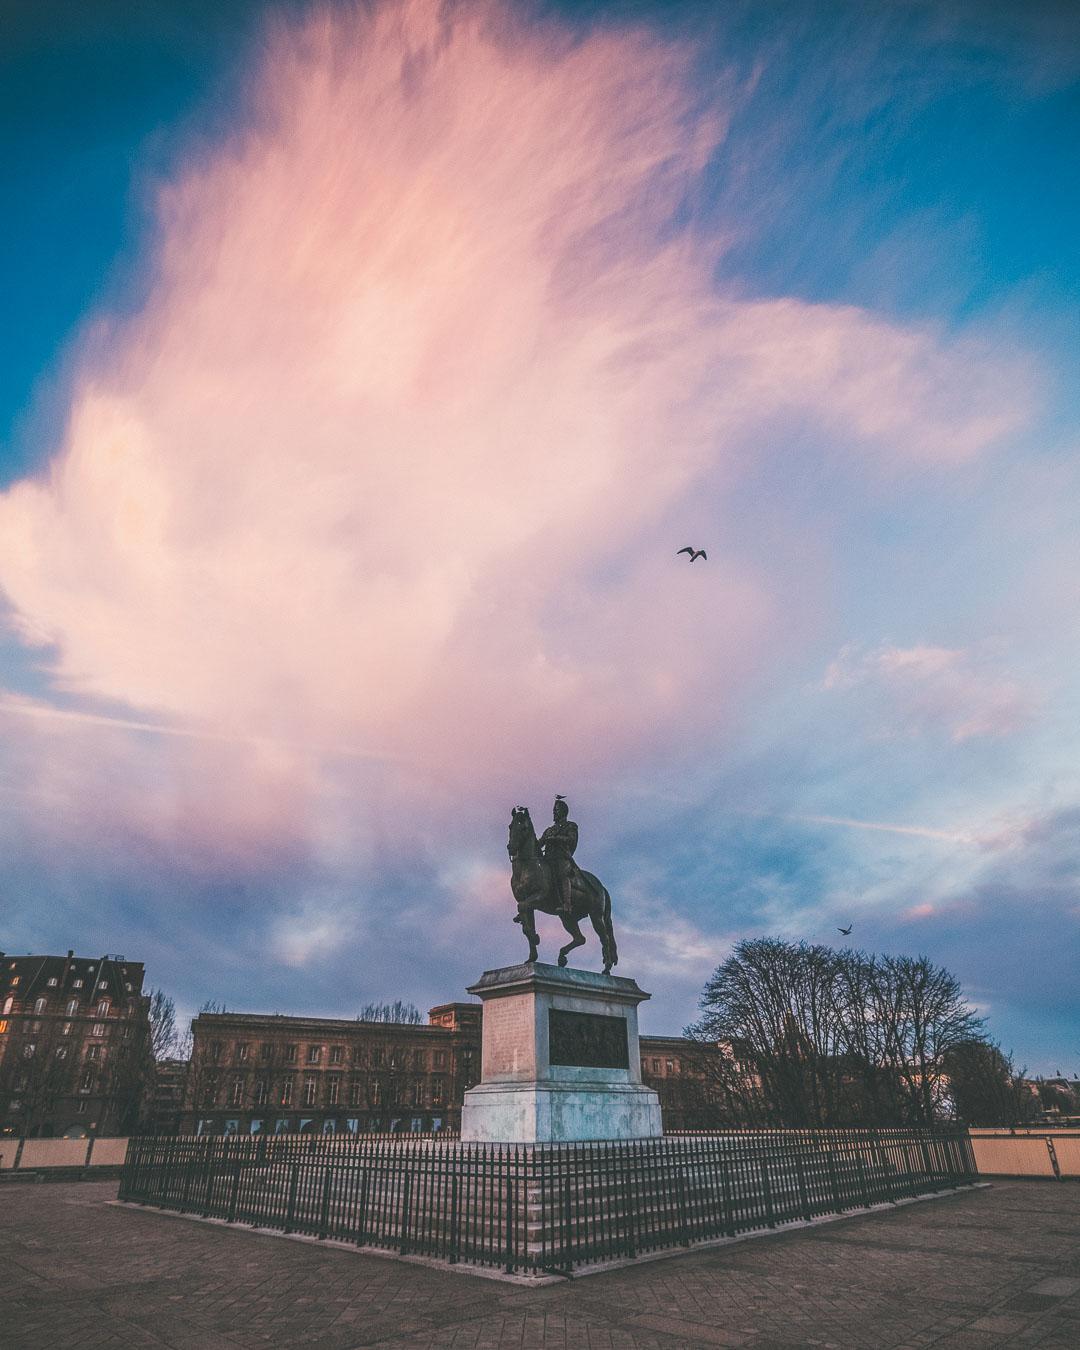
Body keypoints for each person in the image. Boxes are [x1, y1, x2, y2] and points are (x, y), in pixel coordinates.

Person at [539, 795, 579, 917]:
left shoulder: (570, 826)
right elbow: (540, 843)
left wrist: (557, 839)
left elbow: (571, 839)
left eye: (556, 811)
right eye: (554, 811)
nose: (554, 813)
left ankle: (567, 904)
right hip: (548, 859)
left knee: (562, 873)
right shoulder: (549, 830)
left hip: (562, 857)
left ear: (563, 812)